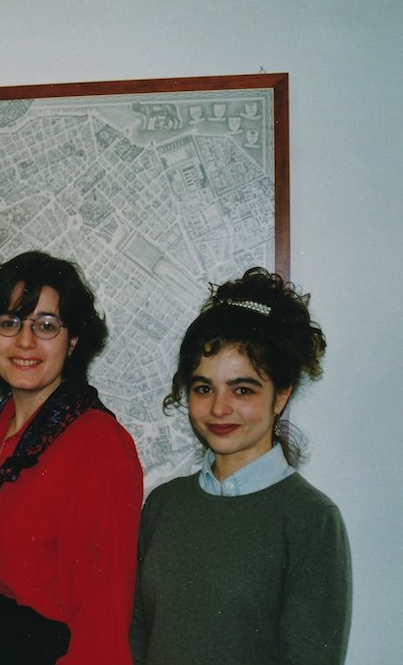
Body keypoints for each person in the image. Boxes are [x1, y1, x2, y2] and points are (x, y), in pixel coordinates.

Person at [130, 267, 351, 664]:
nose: (219, 408)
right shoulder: (163, 505)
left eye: (242, 389)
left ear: (281, 395)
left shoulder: (311, 519)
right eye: (203, 388)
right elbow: (136, 639)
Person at [0, 251, 143, 665]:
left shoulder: (98, 444)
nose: (25, 341)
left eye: (46, 326)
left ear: (73, 341)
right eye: (10, 323)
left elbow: (102, 617)